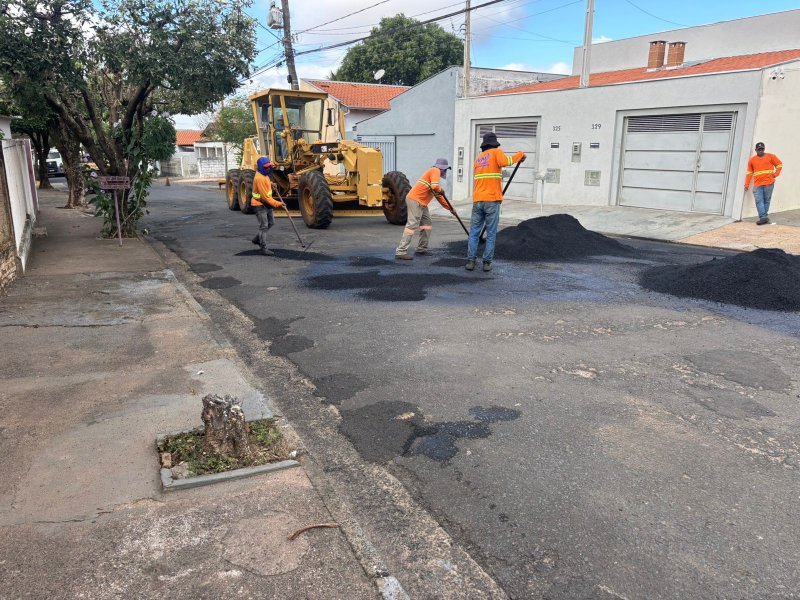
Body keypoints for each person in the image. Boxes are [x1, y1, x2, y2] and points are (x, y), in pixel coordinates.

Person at [466, 132, 525, 272]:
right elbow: (506, 161)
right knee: (491, 233)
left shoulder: (478, 158)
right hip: (492, 200)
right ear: (494, 143)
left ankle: (470, 261)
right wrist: (520, 155)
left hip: (478, 200)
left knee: (474, 232)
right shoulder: (496, 152)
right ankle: (486, 263)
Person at [395, 158, 453, 260]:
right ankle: (401, 251)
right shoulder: (435, 170)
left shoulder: (434, 176)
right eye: (445, 169)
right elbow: (435, 187)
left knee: (427, 224)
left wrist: (451, 208)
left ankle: (421, 249)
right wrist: (441, 190)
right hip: (415, 200)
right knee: (412, 225)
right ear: (443, 168)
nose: (445, 172)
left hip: (422, 203)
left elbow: (439, 197)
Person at [250, 157, 285, 256]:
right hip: (259, 204)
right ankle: (263, 247)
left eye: (269, 167)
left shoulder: (264, 175)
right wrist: (279, 204)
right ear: (261, 167)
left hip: (266, 203)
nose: (268, 168)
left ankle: (257, 239)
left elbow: (266, 182)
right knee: (264, 226)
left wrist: (271, 183)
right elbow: (265, 198)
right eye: (266, 167)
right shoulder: (259, 178)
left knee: (271, 222)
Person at [744, 142, 782, 225]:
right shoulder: (752, 160)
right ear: (756, 150)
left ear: (764, 149)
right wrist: (746, 184)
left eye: (762, 149)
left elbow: (779, 165)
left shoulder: (771, 156)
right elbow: (749, 173)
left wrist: (775, 174)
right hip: (758, 184)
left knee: (766, 200)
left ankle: (763, 218)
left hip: (769, 183)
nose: (760, 151)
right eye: (759, 149)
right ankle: (763, 217)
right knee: (759, 200)